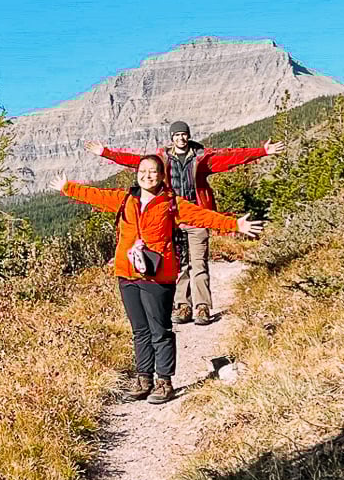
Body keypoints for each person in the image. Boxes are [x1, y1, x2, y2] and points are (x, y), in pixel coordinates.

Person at [57, 154, 263, 404]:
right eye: (142, 171)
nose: (147, 175)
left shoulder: (171, 204)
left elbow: (202, 216)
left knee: (160, 329)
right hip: (127, 274)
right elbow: (95, 195)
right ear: (137, 173)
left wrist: (234, 224)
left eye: (153, 171)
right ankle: (144, 377)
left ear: (162, 176)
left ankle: (164, 380)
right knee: (140, 330)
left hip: (158, 276)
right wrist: (68, 188)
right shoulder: (125, 199)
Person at [84, 122, 283, 326]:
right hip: (171, 218)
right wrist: (106, 153)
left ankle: (202, 307)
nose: (181, 138)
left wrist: (262, 151)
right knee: (179, 263)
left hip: (196, 216)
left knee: (199, 263)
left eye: (184, 134)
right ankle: (182, 305)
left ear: (188, 136)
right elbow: (135, 161)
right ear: (172, 138)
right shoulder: (162, 160)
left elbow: (231, 158)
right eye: (177, 135)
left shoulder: (202, 159)